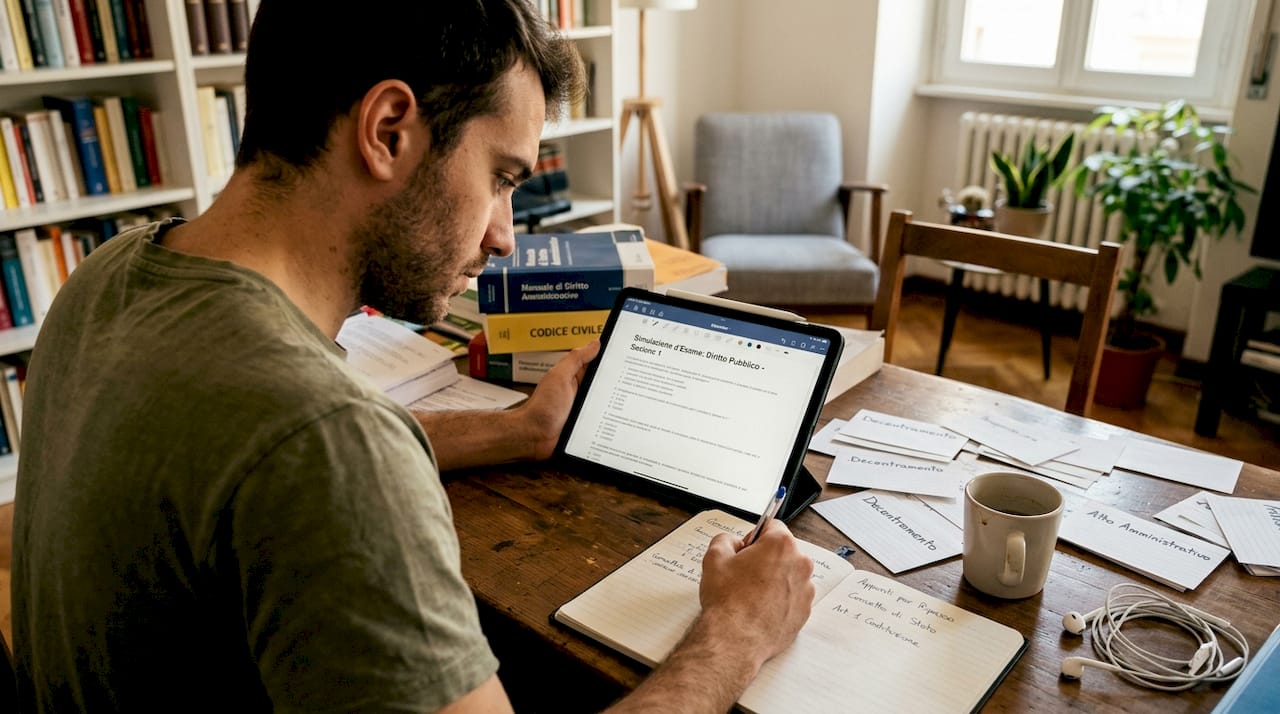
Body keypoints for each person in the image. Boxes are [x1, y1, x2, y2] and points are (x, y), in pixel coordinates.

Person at [11, 1, 816, 711]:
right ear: (388, 131)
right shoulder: (324, 440)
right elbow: (315, 448)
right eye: (501, 177)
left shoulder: (111, 273)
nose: (504, 235)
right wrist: (736, 635)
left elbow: (247, 462)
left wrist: (516, 432)